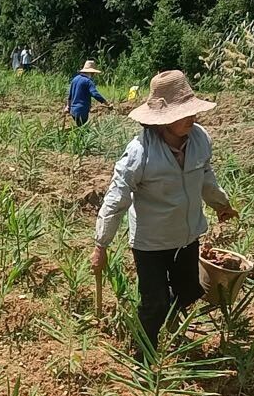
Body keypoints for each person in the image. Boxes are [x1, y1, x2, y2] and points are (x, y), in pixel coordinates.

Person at [91, 69, 238, 349]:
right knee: (154, 302)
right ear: (163, 120)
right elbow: (116, 198)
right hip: (151, 243)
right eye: (184, 113)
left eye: (191, 111)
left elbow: (206, 176)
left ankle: (170, 320)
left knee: (190, 292)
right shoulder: (139, 153)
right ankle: (143, 353)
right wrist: (101, 245)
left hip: (187, 235)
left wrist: (221, 205)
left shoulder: (199, 139)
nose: (192, 118)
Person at [67, 60, 110, 126]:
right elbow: (95, 94)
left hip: (73, 111)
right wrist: (106, 102)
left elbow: (70, 96)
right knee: (82, 128)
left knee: (80, 127)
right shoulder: (88, 82)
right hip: (82, 110)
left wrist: (68, 107)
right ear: (91, 73)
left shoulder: (75, 79)